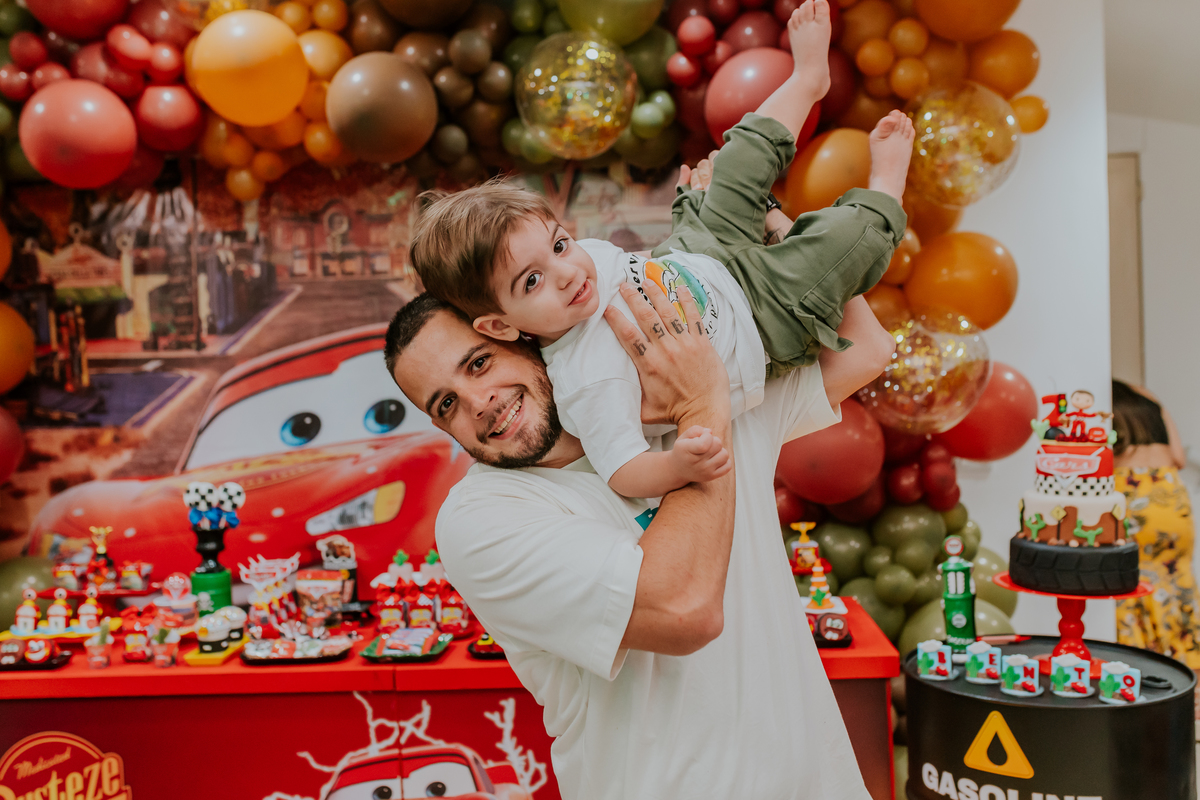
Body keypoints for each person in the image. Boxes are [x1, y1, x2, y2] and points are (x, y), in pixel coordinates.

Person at [383, 277, 894, 799]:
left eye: (478, 364)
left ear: (523, 336)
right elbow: (683, 609)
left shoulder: (683, 402)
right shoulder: (482, 517)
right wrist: (702, 408)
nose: (478, 403)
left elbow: (867, 348)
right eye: (445, 405)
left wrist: (760, 215)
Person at [408, 0, 913, 501]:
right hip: (761, 319)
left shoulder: (569, 270)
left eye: (559, 244)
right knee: (840, 247)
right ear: (500, 325)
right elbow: (623, 470)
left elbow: (641, 265)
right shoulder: (586, 379)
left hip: (696, 253)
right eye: (531, 281)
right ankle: (885, 192)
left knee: (737, 161)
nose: (564, 272)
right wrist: (675, 464)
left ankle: (806, 81)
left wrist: (697, 210)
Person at [1111, 380, 1200, 668]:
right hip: (1169, 493)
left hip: (1130, 491)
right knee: (1176, 580)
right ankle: (1188, 668)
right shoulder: (1145, 399)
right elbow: (1178, 458)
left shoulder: (1102, 402)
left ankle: (1143, 664)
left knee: (1132, 584)